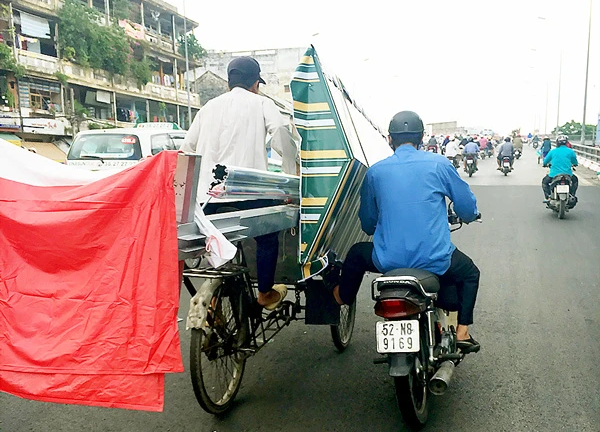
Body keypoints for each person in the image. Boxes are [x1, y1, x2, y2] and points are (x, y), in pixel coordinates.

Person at [327, 111, 481, 352]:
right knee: (470, 273)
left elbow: (367, 222)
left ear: (390, 139)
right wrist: (470, 216)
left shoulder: (375, 172)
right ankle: (462, 331)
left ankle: (340, 297)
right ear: (421, 138)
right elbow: (466, 206)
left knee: (357, 253)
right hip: (435, 260)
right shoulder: (439, 164)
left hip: (387, 261)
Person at [180, 56, 292, 310]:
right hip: (248, 193)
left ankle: (217, 292)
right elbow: (282, 139)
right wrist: (289, 178)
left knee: (209, 236)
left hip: (208, 197)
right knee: (267, 236)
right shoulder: (262, 103)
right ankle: (264, 292)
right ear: (255, 83)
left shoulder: (208, 107)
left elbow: (187, 150)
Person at [542, 135, 578, 201]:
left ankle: (548, 197)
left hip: (553, 175)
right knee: (575, 181)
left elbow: (545, 161)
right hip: (568, 174)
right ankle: (572, 195)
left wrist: (545, 164)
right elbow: (575, 162)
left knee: (544, 182)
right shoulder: (570, 151)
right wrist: (574, 164)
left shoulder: (553, 151)